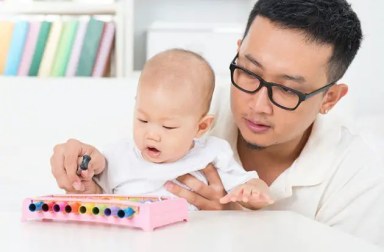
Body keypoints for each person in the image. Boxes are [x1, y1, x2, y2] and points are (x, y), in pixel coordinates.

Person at [51, 0, 384, 246]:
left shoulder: (359, 179)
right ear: (238, 52)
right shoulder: (188, 107)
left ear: (330, 99)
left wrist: (243, 230)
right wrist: (83, 168)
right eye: (249, 72)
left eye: (287, 90)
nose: (256, 105)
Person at [51, 48, 272, 210]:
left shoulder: (212, 153)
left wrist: (253, 190)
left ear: (201, 127)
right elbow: (99, 197)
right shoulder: (118, 156)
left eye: (168, 126)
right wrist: (85, 185)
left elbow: (245, 187)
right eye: (143, 120)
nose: (152, 134)